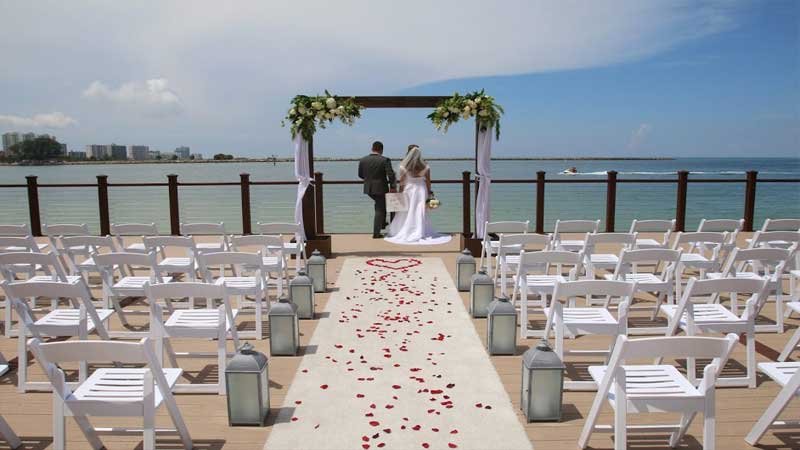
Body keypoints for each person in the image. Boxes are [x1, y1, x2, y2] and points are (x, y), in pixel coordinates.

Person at [385, 145, 450, 245]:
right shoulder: (425, 166)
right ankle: (421, 231)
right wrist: (429, 192)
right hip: (421, 190)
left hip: (409, 190)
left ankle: (406, 230)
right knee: (420, 211)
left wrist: (400, 193)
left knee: (407, 211)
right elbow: (428, 181)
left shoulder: (403, 166)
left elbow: (402, 182)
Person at [358, 141, 396, 238]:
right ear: (381, 150)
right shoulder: (385, 160)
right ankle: (376, 233)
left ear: (372, 148)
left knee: (381, 206)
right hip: (381, 188)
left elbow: (360, 175)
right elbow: (391, 175)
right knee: (380, 209)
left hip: (368, 188)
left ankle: (382, 224)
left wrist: (369, 180)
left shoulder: (363, 160)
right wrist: (393, 187)